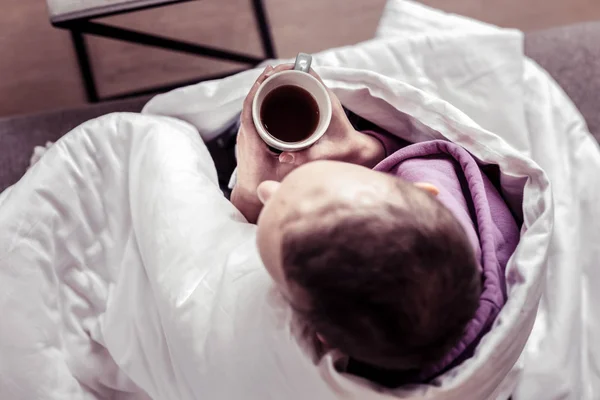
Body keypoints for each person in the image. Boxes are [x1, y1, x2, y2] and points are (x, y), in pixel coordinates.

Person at [231, 65, 519, 387]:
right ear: (417, 188)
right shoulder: (435, 178)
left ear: (323, 338)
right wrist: (365, 149)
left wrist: (245, 196)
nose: (266, 189)